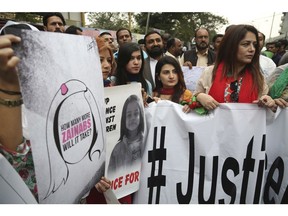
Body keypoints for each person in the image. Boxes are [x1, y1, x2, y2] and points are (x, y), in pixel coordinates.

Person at [85, 37, 132, 204]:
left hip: (116, 174)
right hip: (90, 182)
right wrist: (92, 177)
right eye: (100, 60)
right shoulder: (76, 96)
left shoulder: (113, 91)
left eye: (109, 60)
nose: (106, 65)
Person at [193, 24, 276, 113]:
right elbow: (191, 101)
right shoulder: (209, 73)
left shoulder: (259, 78)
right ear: (231, 46)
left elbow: (266, 113)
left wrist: (270, 103)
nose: (252, 49)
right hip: (213, 126)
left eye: (254, 45)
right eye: (246, 44)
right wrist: (199, 96)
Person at [107, 94, 145, 174]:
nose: (132, 118)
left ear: (141, 115)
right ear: (124, 119)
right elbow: (110, 177)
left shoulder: (148, 141)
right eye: (128, 115)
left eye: (136, 114)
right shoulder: (117, 150)